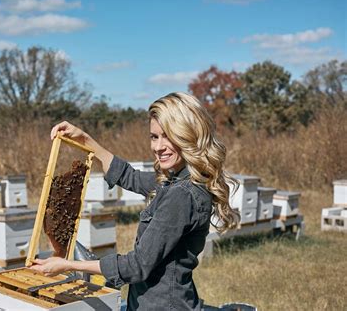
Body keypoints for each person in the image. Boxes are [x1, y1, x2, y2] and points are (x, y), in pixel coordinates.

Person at [29, 92, 240, 310]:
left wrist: (67, 264)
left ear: (188, 134)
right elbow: (130, 177)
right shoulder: (175, 181)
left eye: (167, 136)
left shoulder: (181, 195)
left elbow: (137, 265)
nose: (158, 147)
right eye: (154, 136)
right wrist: (84, 139)